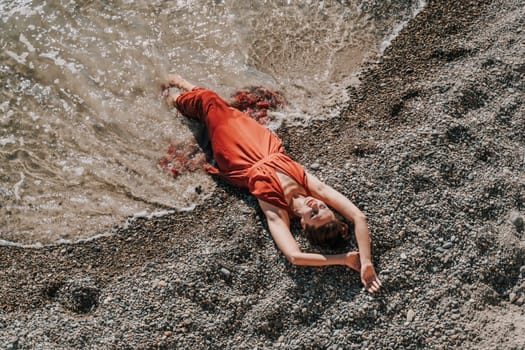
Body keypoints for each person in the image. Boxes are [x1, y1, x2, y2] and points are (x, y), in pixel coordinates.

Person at [162, 74, 382, 293]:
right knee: (218, 108)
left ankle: (170, 97)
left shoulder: (277, 210)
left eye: (312, 214)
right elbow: (358, 217)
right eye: (322, 207)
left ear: (303, 226)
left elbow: (295, 257)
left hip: (238, 156)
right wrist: (367, 261)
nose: (315, 205)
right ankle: (178, 92)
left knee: (210, 102)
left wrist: (343, 259)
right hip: (264, 144)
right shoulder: (313, 189)